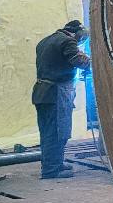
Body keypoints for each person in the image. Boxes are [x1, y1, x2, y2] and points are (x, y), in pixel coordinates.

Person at [31, 20, 91, 179]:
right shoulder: (67, 41)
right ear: (77, 33)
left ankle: (54, 163)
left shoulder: (45, 41)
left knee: (47, 131)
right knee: (57, 132)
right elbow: (78, 60)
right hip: (55, 93)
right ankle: (51, 170)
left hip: (41, 92)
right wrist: (94, 63)